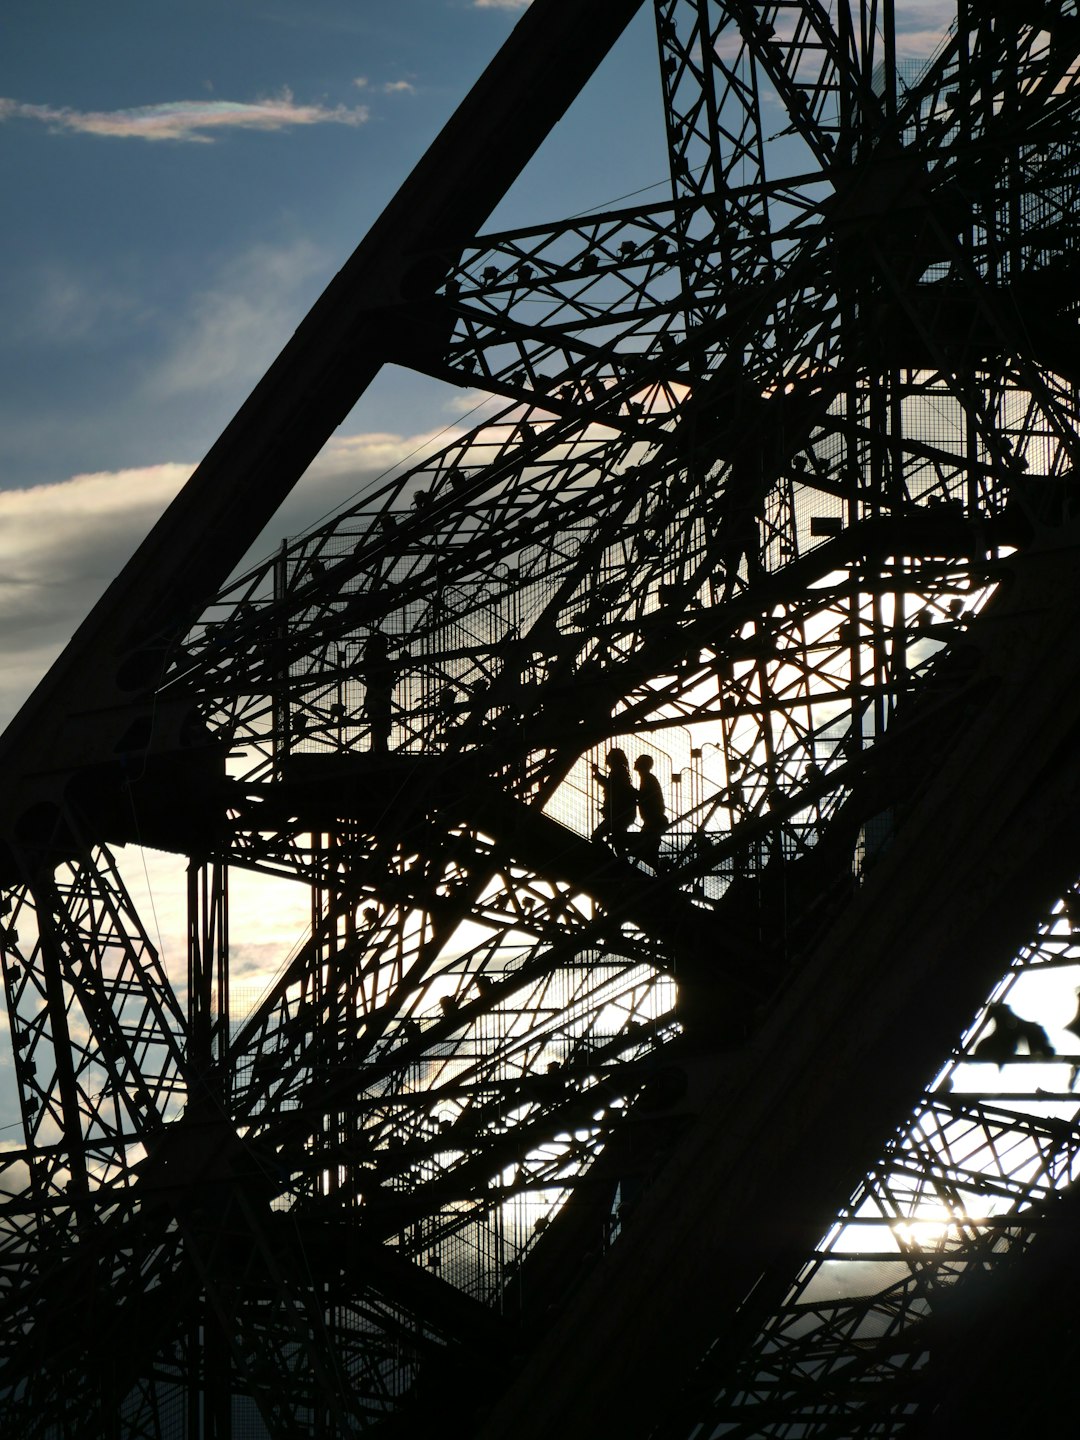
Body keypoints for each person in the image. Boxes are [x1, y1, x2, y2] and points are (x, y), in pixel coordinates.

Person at [591, 749, 636, 857]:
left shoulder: (618, 771)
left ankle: (610, 860)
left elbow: (611, 786)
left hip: (618, 815)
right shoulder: (621, 771)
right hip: (621, 815)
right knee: (618, 843)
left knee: (596, 837)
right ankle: (617, 863)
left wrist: (597, 774)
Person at [361, 631, 394, 752]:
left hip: (373, 695)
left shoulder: (368, 661)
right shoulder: (381, 662)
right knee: (382, 722)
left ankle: (375, 747)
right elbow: (390, 676)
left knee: (377, 722)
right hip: (382, 696)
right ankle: (380, 749)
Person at [633, 753, 668, 868]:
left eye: (637, 760)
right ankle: (661, 867)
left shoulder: (648, 778)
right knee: (646, 849)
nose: (635, 762)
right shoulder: (647, 778)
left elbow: (646, 796)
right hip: (653, 820)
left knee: (642, 848)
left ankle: (661, 867)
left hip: (653, 820)